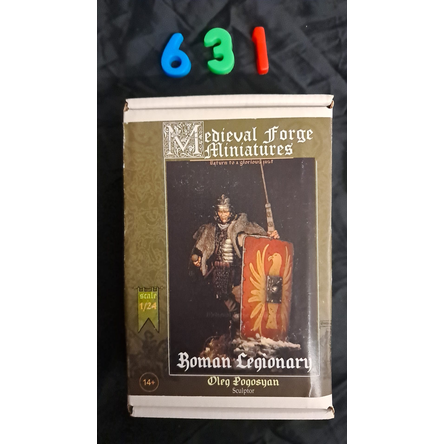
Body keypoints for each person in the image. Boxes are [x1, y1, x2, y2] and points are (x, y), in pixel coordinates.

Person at [190, 194, 279, 338]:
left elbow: (258, 237)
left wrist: (270, 236)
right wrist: (197, 258)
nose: (223, 214)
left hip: (236, 273)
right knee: (226, 303)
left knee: (244, 304)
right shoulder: (210, 229)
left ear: (231, 211)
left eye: (226, 211)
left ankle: (247, 333)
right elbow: (200, 248)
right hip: (218, 273)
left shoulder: (240, 225)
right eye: (220, 211)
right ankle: (233, 333)